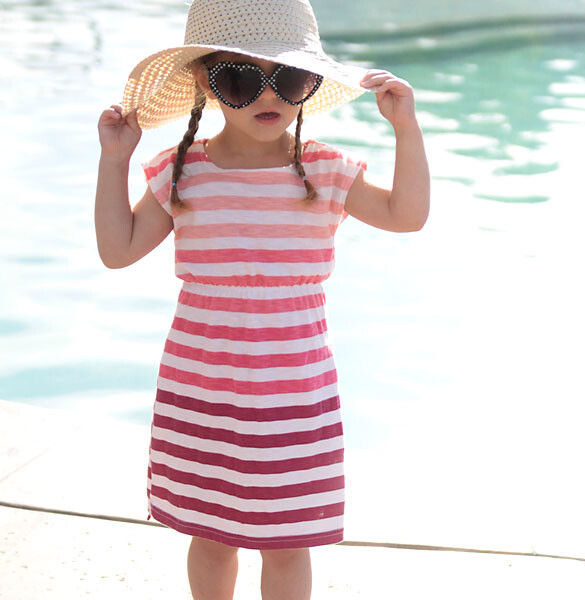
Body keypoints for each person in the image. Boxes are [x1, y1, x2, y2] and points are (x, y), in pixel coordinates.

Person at [95, 0, 429, 598]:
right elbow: (117, 250)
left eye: (290, 78)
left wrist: (407, 128)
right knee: (211, 534)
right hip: (201, 393)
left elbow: (407, 216)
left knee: (289, 540)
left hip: (295, 395)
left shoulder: (326, 173)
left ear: (311, 84)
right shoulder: (181, 173)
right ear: (206, 81)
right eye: (242, 79)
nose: (267, 96)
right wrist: (113, 161)